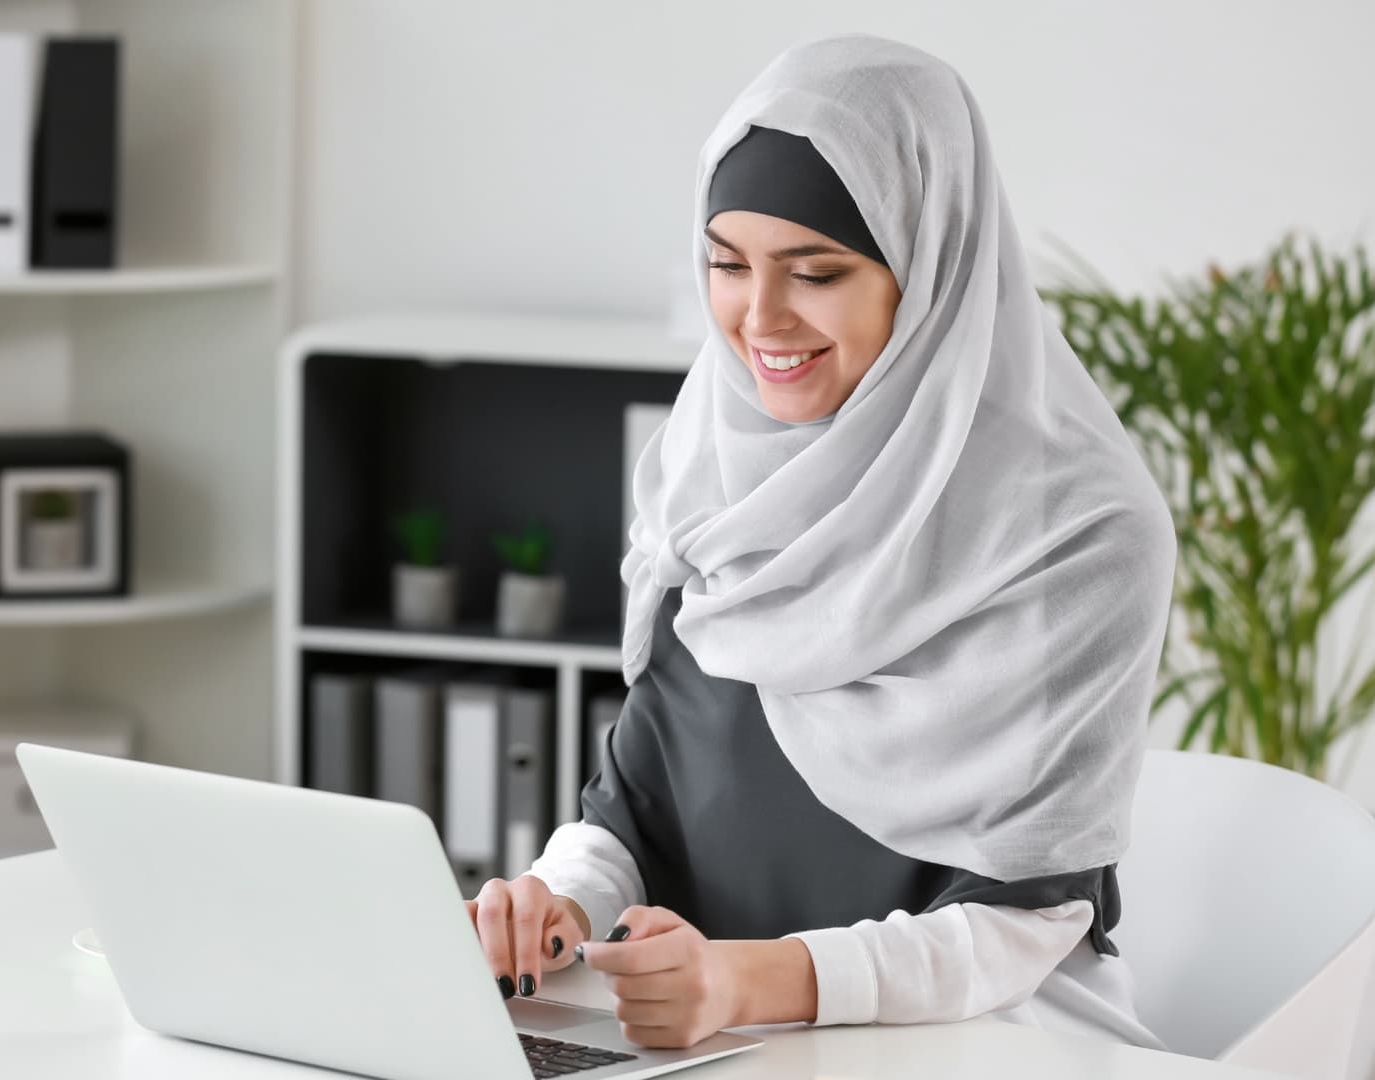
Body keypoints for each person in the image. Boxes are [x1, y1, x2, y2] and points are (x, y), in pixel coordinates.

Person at [464, 33, 1178, 1053]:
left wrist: (753, 978)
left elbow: (1023, 921)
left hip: (981, 1042)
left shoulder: (1079, 532)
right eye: (726, 263)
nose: (759, 319)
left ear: (929, 266)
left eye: (816, 272)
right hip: (723, 1040)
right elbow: (639, 805)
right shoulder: (705, 476)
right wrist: (558, 903)